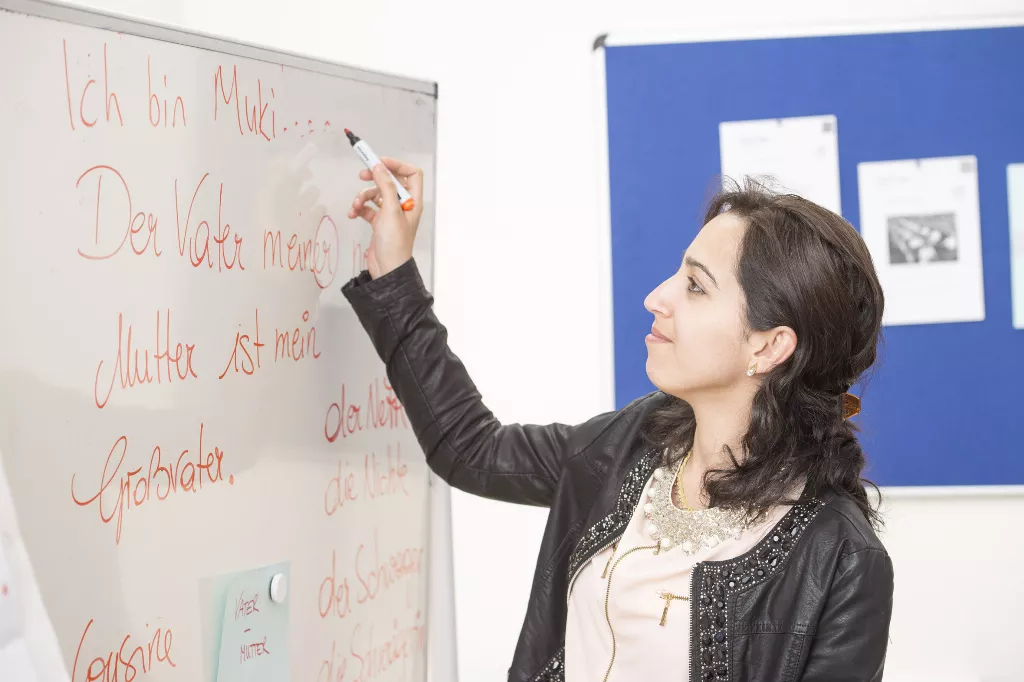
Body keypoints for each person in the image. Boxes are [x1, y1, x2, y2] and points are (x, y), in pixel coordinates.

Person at [343, 159, 894, 682]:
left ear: (770, 346)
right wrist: (395, 276)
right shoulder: (630, 443)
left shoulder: (842, 557)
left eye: (696, 287)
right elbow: (472, 450)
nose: (657, 297)